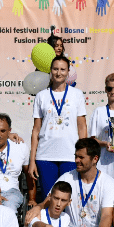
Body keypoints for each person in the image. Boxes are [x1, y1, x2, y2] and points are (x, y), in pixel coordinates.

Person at [30, 55, 88, 201]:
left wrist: (84, 154)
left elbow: (82, 126)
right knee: (48, 199)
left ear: (68, 72)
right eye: (55, 69)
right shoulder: (41, 96)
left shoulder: (77, 95)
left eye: (63, 69)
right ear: (50, 71)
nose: (59, 73)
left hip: (70, 155)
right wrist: (32, 161)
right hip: (45, 156)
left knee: (69, 200)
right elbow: (36, 130)